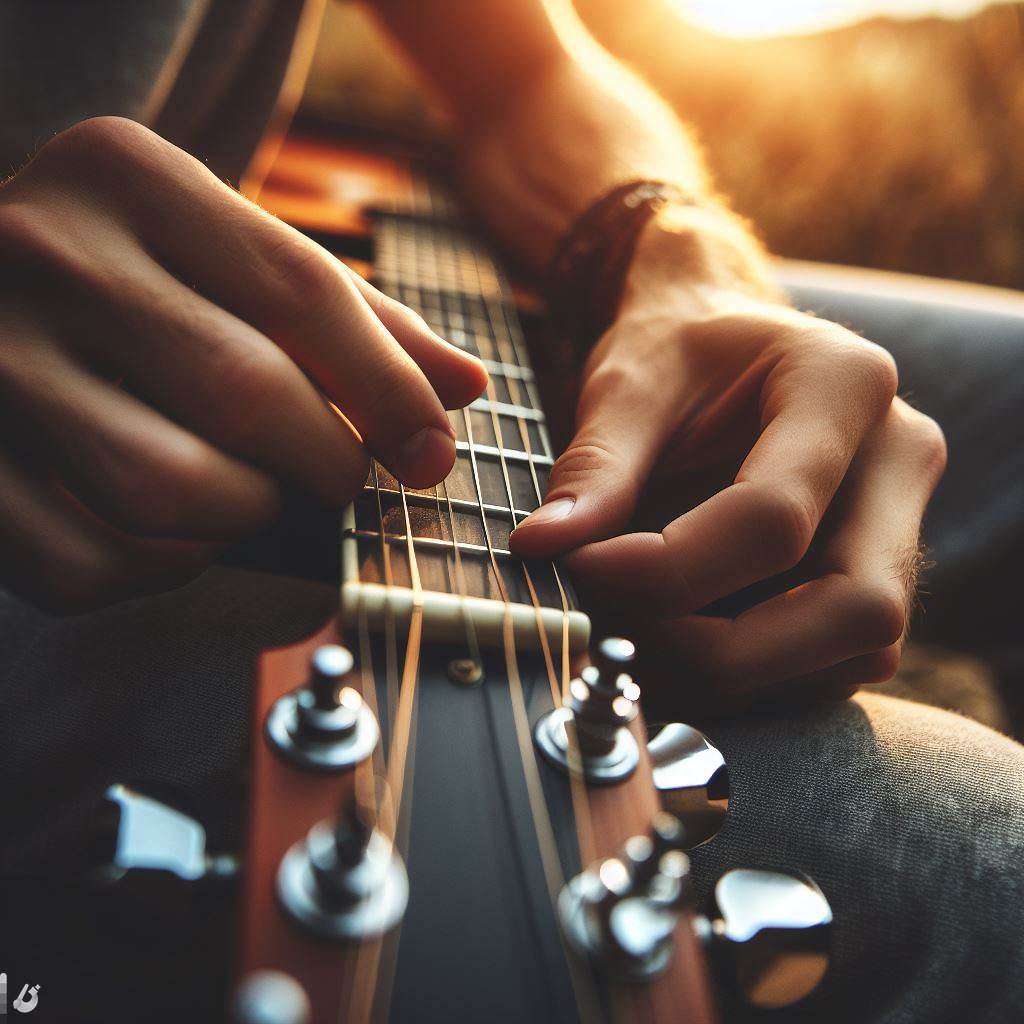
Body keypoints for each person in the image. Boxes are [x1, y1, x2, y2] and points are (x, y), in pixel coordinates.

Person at [0, 2, 1021, 1022]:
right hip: (48, 507)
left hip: (311, 291)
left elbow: (529, 78)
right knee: (987, 854)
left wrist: (678, 253)